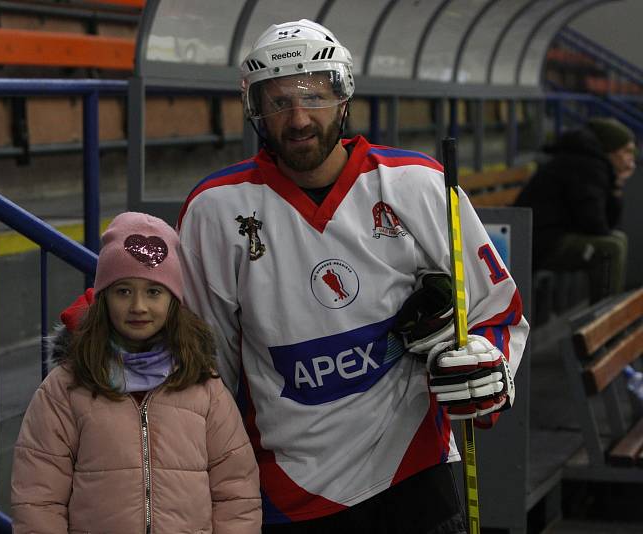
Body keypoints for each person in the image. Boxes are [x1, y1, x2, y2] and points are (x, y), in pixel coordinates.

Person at [177, 19, 529, 533]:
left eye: (313, 96)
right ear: (255, 109)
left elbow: (497, 309)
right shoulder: (215, 210)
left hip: (412, 468)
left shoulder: (418, 184)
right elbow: (206, 363)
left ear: (342, 98)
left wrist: (485, 359)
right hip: (285, 487)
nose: (298, 119)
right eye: (279, 102)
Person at [11, 212, 262, 533]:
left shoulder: (203, 385)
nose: (139, 306)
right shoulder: (65, 388)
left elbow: (235, 492)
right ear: (103, 299)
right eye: (123, 291)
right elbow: (38, 498)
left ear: (174, 301)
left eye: (154, 292)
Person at [515, 117, 636, 303]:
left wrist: (616, 185)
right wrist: (614, 185)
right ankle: (604, 318)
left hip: (549, 235)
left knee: (617, 238)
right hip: (539, 241)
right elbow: (595, 225)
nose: (631, 159)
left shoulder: (590, 161)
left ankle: (607, 312)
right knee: (610, 248)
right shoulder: (585, 165)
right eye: (626, 151)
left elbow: (605, 225)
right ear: (611, 150)